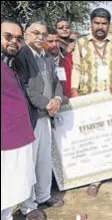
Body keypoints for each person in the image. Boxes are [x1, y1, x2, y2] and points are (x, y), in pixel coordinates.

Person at [70, 8, 112, 196]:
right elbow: (76, 68)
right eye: (97, 23)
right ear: (91, 24)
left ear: (109, 25)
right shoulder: (81, 43)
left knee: (108, 136)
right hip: (88, 99)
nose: (100, 27)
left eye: (104, 23)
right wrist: (74, 89)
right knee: (90, 137)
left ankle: (105, 172)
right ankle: (93, 177)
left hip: (111, 99)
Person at [17, 20, 65, 220]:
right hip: (31, 119)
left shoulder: (46, 56)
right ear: (26, 35)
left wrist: (57, 99)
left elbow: (56, 82)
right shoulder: (21, 56)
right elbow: (25, 88)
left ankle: (44, 196)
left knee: (44, 161)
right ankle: (27, 206)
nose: (40, 37)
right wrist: (47, 104)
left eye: (43, 34)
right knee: (29, 163)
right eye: (35, 33)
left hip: (46, 118)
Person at [1, 18, 36, 220]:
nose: (14, 41)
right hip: (6, 143)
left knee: (10, 195)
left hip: (17, 140)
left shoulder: (8, 62)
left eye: (18, 38)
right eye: (8, 36)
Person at [45, 27, 73, 98]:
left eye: (57, 41)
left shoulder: (68, 58)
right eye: (50, 41)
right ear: (43, 42)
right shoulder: (41, 62)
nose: (54, 44)